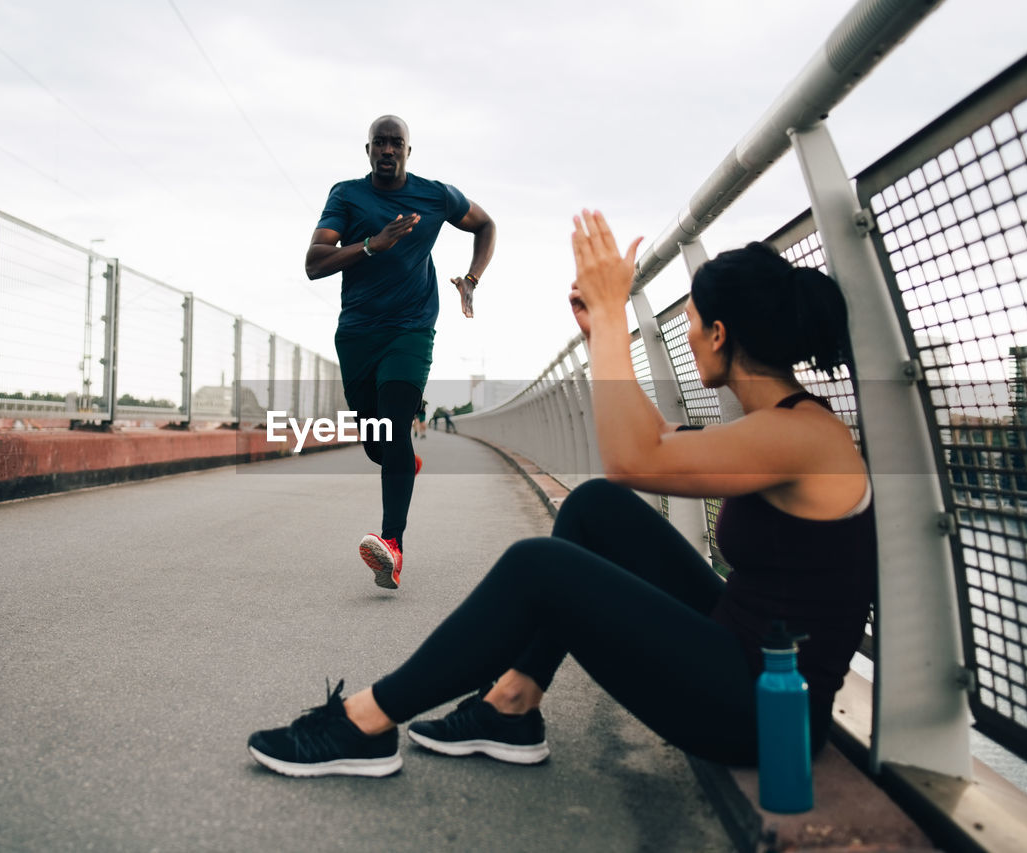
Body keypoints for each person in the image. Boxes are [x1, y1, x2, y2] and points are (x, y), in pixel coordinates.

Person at [250, 210, 874, 778]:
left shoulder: (803, 439)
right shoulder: (785, 427)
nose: (683, 336)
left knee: (539, 567)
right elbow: (653, 438)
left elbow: (634, 457)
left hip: (765, 712)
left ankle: (363, 722)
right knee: (594, 508)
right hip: (744, 657)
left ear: (717, 334)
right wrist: (598, 330)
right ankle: (510, 705)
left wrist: (610, 318)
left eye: (686, 324)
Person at [305, 115, 496, 590]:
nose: (388, 150)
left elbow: (485, 224)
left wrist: (471, 280)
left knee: (392, 427)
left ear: (409, 151)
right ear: (367, 150)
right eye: (380, 143)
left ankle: (392, 546)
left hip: (412, 330)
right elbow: (314, 262)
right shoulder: (346, 195)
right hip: (357, 334)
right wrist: (371, 245)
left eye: (397, 143)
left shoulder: (435, 196)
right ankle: (403, 461)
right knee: (379, 444)